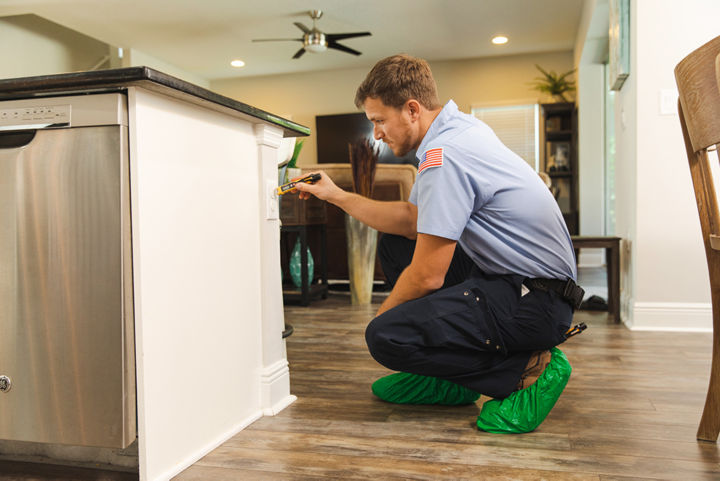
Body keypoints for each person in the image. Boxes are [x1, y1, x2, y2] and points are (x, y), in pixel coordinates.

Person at [294, 54, 582, 430]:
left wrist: (385, 321)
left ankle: (526, 371)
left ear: (412, 110)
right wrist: (335, 195)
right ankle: (446, 378)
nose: (377, 134)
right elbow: (413, 222)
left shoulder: (444, 155)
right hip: (524, 287)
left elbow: (428, 276)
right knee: (396, 243)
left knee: (386, 337)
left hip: (535, 303)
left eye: (380, 120)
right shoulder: (460, 130)